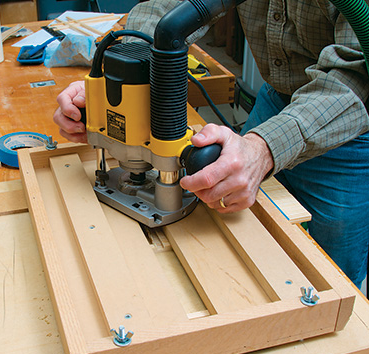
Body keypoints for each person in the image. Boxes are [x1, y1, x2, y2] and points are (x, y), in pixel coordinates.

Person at [53, 0, 369, 289]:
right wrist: (126, 81)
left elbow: (355, 75)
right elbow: (170, 9)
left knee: (331, 274)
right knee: (247, 229)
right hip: (276, 100)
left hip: (351, 121)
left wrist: (263, 148)